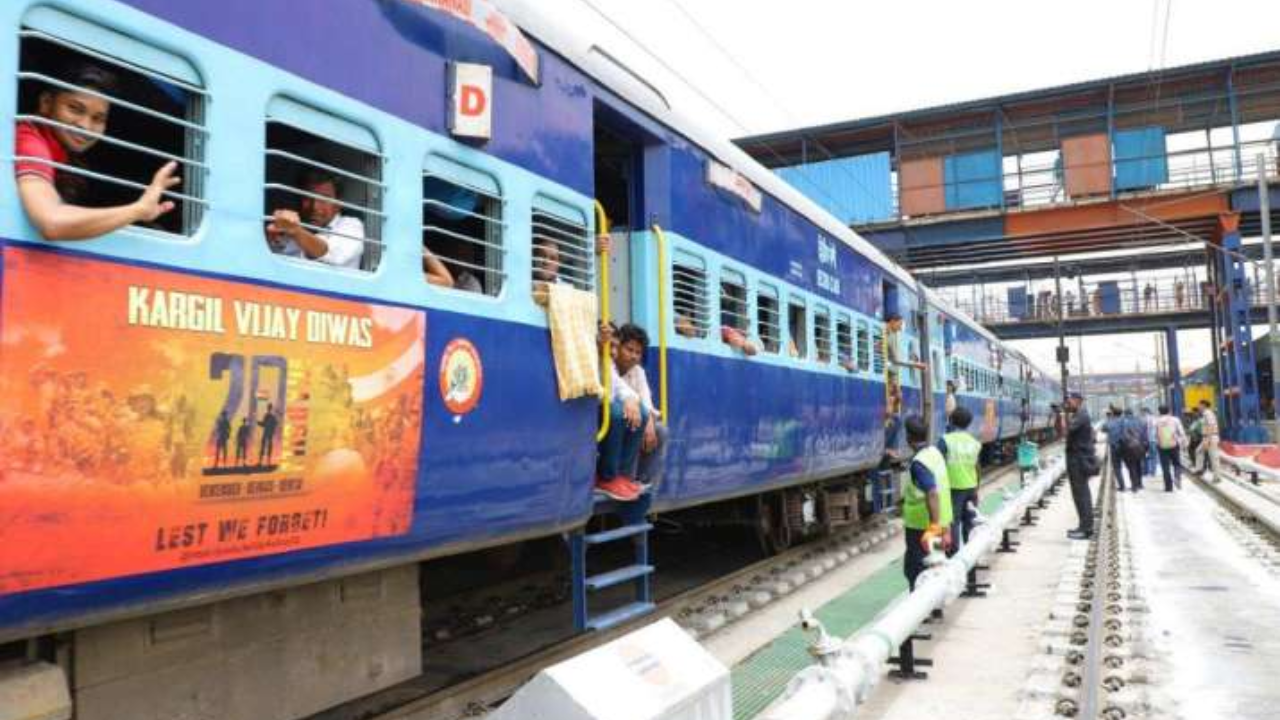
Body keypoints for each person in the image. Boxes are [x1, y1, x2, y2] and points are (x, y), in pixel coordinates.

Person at [15, 62, 181, 241]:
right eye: (75, 109)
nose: (85, 126)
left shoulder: (64, 154)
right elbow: (52, 223)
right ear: (46, 103)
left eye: (98, 119)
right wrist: (138, 210)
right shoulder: (29, 140)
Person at [267, 169, 366, 269]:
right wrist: (273, 239)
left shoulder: (351, 225)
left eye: (324, 198)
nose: (314, 207)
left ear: (338, 204)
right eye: (307, 197)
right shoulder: (293, 229)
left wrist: (296, 232)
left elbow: (332, 255)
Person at [595, 324, 649, 501]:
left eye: (615, 346)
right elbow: (599, 392)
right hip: (590, 410)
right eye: (608, 345)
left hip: (603, 406)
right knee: (618, 413)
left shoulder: (608, 362)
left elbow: (617, 385)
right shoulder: (590, 357)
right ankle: (607, 477)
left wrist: (631, 399)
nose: (612, 352)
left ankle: (623, 477)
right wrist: (624, 400)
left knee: (641, 412)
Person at [901, 414, 952, 591]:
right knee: (935, 564)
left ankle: (920, 611)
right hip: (940, 522)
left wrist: (933, 527)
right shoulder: (935, 454)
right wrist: (943, 526)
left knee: (916, 569)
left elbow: (932, 492)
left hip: (922, 528)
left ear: (908, 438)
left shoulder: (919, 463)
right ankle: (935, 609)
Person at [613, 324, 666, 489]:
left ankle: (643, 482)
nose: (634, 356)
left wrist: (649, 423)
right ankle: (626, 480)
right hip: (615, 424)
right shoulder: (608, 366)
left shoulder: (638, 371)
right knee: (635, 423)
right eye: (629, 350)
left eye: (638, 352)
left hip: (632, 422)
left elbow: (646, 399)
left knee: (660, 431)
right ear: (618, 347)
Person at [940, 406, 981, 550]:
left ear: (951, 420)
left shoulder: (945, 440)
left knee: (953, 521)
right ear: (969, 423)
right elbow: (977, 467)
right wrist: (977, 488)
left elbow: (939, 463)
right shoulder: (975, 443)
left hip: (953, 488)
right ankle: (971, 553)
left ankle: (954, 554)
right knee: (970, 521)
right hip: (971, 486)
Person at [1064, 392, 1096, 539]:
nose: (1067, 403)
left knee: (1081, 494)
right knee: (1079, 494)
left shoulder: (1081, 415)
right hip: (1077, 459)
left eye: (1069, 401)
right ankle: (1083, 526)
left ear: (1077, 400)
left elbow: (1067, 431)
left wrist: (1060, 416)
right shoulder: (1078, 414)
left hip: (1079, 460)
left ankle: (1086, 529)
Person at [1154, 404, 1187, 491]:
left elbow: (1154, 435)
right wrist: (1183, 442)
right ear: (1169, 411)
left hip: (1162, 446)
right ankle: (1177, 477)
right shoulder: (1175, 419)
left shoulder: (1157, 421)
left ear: (1159, 412)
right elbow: (1181, 432)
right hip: (1174, 445)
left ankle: (1168, 487)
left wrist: (1157, 442)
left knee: (1165, 466)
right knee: (1176, 463)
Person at [1117, 408, 1147, 492]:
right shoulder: (1140, 420)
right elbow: (1144, 434)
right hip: (1140, 446)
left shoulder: (1122, 422)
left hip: (1128, 448)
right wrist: (1145, 446)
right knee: (1138, 465)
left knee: (1131, 466)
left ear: (1125, 414)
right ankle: (1140, 483)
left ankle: (1134, 486)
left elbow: (1122, 436)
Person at [1102, 408, 1127, 491]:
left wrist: (1108, 418)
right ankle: (1136, 484)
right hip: (1125, 446)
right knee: (1131, 465)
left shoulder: (1111, 422)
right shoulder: (1124, 420)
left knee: (1117, 467)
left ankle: (1122, 485)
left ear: (1113, 414)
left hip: (1115, 447)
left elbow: (1104, 429)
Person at [1198, 400, 1220, 481]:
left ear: (1203, 405)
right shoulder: (1205, 414)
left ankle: (1217, 477)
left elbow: (1211, 426)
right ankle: (1199, 470)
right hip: (1207, 437)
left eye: (1199, 405)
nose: (1199, 407)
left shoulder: (1208, 413)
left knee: (1214, 457)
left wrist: (1208, 439)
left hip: (1210, 437)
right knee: (1198, 451)